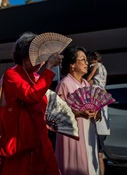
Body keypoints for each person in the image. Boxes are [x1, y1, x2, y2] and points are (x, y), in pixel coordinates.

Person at [0, 31, 62, 174]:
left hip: (40, 138)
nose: (41, 62)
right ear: (23, 57)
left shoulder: (36, 76)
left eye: (42, 58)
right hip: (21, 140)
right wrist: (49, 69)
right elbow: (31, 95)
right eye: (36, 57)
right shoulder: (12, 74)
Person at [55, 46, 100, 175]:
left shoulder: (86, 84)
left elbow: (94, 106)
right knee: (77, 167)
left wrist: (96, 112)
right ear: (72, 65)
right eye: (83, 59)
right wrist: (79, 113)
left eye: (86, 60)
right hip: (73, 136)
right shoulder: (64, 84)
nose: (87, 63)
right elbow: (57, 115)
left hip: (88, 131)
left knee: (91, 167)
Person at [87, 51, 109, 175]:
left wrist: (89, 76)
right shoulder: (104, 69)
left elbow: (89, 79)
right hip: (103, 120)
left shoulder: (95, 67)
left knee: (96, 153)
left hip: (96, 120)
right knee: (100, 154)